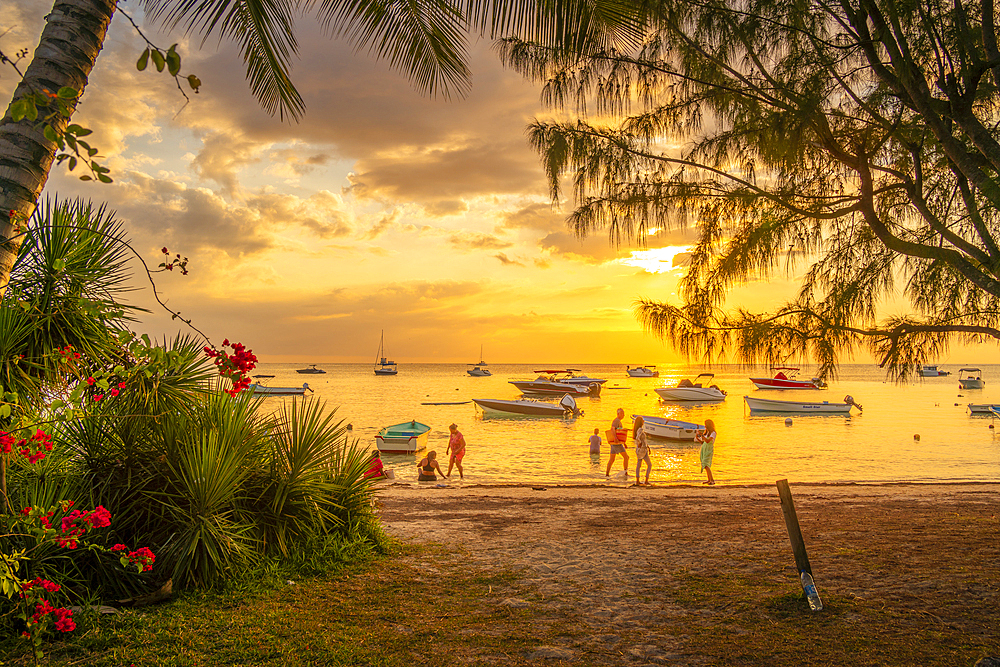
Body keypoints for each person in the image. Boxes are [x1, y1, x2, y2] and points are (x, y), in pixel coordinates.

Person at [605, 408, 630, 477]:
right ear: (618, 414)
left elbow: (619, 433)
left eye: (623, 413)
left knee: (612, 459)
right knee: (626, 457)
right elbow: (612, 429)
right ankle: (625, 473)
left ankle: (607, 474)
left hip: (615, 443)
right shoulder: (616, 421)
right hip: (616, 443)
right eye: (621, 413)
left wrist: (624, 443)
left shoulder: (619, 421)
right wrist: (615, 438)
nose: (623, 415)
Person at [694, 418, 717, 485]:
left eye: (706, 425)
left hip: (708, 449)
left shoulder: (713, 433)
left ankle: (712, 480)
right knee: (704, 464)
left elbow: (708, 441)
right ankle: (709, 479)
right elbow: (703, 442)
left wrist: (702, 435)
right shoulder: (707, 433)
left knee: (706, 464)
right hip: (704, 448)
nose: (705, 426)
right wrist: (698, 437)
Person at [633, 416, 651, 485]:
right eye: (643, 420)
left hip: (640, 450)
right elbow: (638, 438)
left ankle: (637, 480)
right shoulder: (640, 429)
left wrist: (648, 447)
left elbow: (642, 439)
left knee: (639, 465)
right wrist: (639, 443)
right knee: (649, 465)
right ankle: (646, 480)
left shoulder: (637, 429)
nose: (644, 421)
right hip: (643, 450)